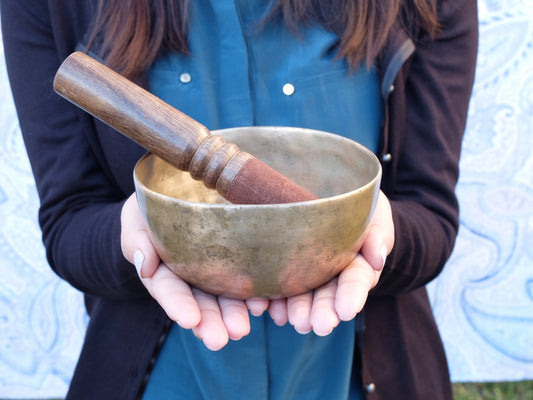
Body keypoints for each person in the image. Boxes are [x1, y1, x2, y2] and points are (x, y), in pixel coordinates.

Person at [1, 0, 478, 399]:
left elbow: (430, 214)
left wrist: (373, 237)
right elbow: (69, 221)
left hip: (355, 370)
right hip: (167, 378)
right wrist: (139, 238)